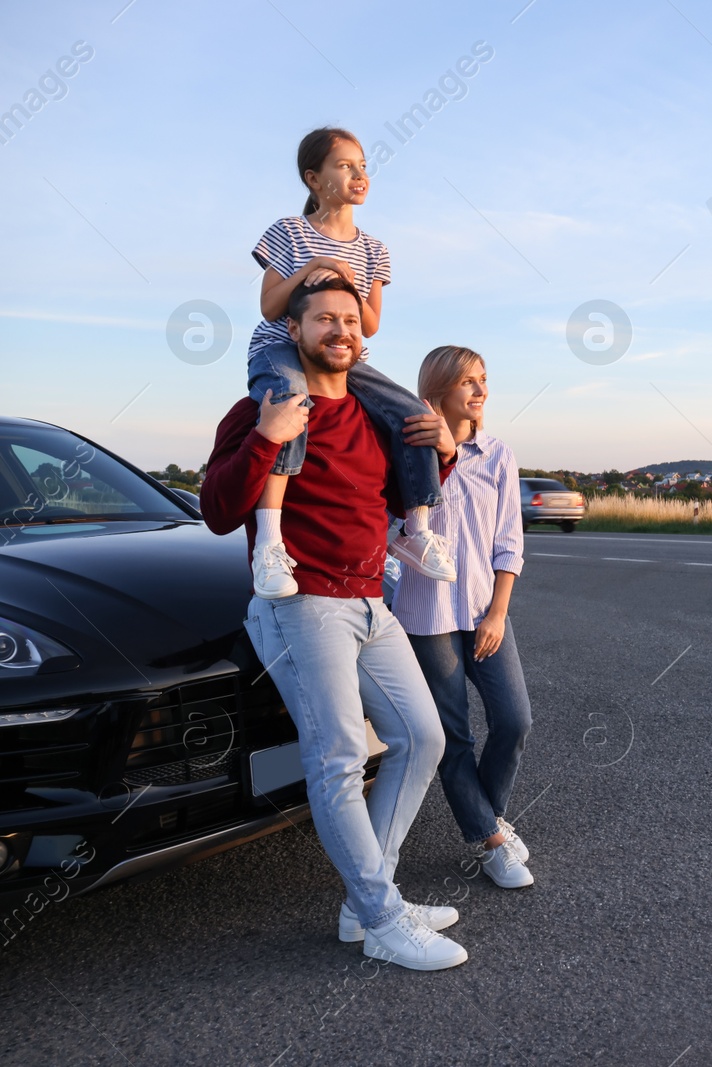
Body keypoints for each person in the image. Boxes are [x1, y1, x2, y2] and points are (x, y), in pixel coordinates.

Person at [202, 275, 469, 971]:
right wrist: (265, 437)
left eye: (351, 320)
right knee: (340, 758)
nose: (342, 330)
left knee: (422, 737)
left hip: (370, 602)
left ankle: (365, 899)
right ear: (295, 331)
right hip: (302, 606)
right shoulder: (261, 407)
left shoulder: (371, 418)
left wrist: (439, 450)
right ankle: (382, 918)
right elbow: (217, 509)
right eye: (325, 318)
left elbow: (380, 499)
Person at [244, 126, 455, 600]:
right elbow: (270, 308)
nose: (359, 174)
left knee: (418, 416)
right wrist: (309, 268)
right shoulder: (289, 231)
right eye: (345, 166)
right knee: (291, 408)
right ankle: (270, 545)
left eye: (362, 166)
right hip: (283, 346)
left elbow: (371, 324)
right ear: (314, 179)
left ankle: (416, 529)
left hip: (346, 353)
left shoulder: (373, 249)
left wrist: (343, 279)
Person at [391, 346, 535, 889]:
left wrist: (499, 612)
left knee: (515, 720)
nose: (481, 391)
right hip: (427, 617)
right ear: (438, 390)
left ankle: (484, 824)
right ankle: (491, 842)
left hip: (483, 611)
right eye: (468, 381)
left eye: (483, 380)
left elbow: (509, 543)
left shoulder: (498, 454)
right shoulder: (406, 455)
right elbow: (393, 533)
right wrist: (438, 456)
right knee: (454, 737)